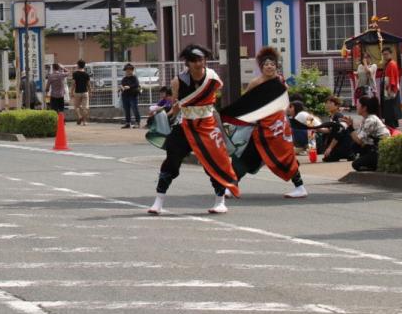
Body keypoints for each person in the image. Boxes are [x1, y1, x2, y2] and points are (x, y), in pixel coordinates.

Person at [147, 45, 240, 216]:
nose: (198, 63)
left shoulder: (212, 78)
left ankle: (220, 201)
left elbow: (213, 97)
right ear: (187, 63)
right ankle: (158, 201)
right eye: (194, 61)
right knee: (172, 159)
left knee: (215, 160)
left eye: (201, 60)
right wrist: (163, 116)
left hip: (208, 123)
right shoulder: (178, 81)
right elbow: (176, 106)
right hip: (186, 124)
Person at [227, 46, 308, 199]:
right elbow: (247, 103)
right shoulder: (255, 83)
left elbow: (284, 104)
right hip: (259, 127)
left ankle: (300, 187)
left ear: (276, 67)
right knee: (246, 155)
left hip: (277, 126)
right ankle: (231, 185)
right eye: (266, 64)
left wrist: (281, 117)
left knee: (286, 155)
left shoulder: (281, 83)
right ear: (261, 67)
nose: (270, 67)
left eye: (272, 64)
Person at [350, 96, 391, 172]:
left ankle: (378, 166)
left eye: (358, 105)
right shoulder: (365, 119)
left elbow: (359, 140)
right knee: (354, 145)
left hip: (381, 150)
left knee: (355, 164)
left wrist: (350, 128)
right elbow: (359, 140)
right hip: (373, 147)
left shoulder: (371, 120)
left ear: (364, 108)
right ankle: (371, 161)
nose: (356, 107)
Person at [316, 96, 355, 162]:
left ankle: (348, 153)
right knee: (327, 157)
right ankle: (347, 154)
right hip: (339, 142)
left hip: (343, 143)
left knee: (328, 158)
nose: (327, 105)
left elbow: (338, 133)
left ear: (337, 106)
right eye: (326, 103)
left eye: (330, 103)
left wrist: (330, 148)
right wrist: (317, 129)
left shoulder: (338, 116)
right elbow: (330, 130)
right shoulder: (332, 116)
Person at [380, 47, 402, 129]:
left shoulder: (392, 64)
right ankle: (392, 125)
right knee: (390, 108)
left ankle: (391, 126)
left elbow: (392, 78)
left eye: (386, 54)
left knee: (390, 108)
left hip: (390, 89)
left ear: (391, 54)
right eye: (384, 54)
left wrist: (389, 89)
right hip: (388, 87)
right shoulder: (388, 64)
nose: (385, 56)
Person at [119, 63, 140, 128]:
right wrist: (121, 87)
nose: (127, 71)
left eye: (129, 70)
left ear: (132, 70)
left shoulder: (134, 78)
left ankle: (137, 122)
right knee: (126, 110)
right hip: (125, 96)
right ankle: (128, 123)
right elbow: (122, 85)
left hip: (133, 96)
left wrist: (129, 87)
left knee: (134, 109)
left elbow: (136, 85)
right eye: (126, 70)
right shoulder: (124, 79)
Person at [71, 60, 91, 125]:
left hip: (77, 92)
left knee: (76, 106)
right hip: (85, 92)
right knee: (85, 107)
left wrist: (71, 92)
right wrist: (90, 91)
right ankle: (84, 122)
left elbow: (73, 83)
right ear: (84, 66)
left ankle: (79, 116)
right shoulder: (86, 74)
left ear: (78, 65)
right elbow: (88, 84)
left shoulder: (75, 74)